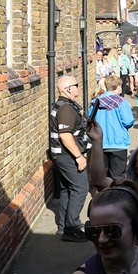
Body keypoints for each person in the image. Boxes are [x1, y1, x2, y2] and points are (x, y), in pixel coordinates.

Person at [49, 76, 90, 242]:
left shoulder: (61, 105)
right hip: (67, 156)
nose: (78, 88)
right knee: (80, 188)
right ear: (67, 89)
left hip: (61, 155)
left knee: (67, 189)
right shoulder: (65, 109)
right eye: (76, 85)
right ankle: (72, 227)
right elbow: (65, 135)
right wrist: (79, 156)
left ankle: (63, 226)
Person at [96, 75, 135, 180]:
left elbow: (90, 120)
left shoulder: (96, 102)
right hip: (118, 143)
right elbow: (128, 121)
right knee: (118, 177)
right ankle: (117, 195)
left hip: (101, 143)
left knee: (104, 176)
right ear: (118, 86)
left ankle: (105, 195)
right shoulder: (121, 102)